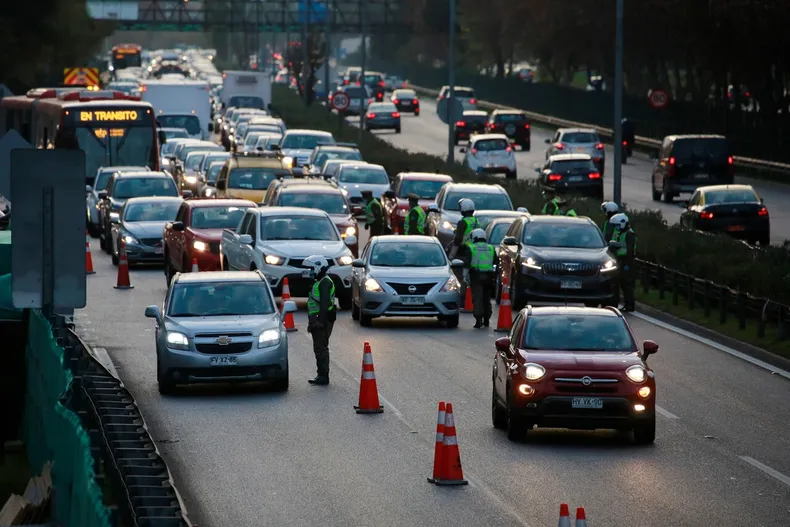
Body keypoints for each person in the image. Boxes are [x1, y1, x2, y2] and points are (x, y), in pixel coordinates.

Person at [304, 255, 337, 385]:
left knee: (321, 347)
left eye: (311, 269)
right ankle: (321, 374)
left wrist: (320, 322)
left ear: (319, 267)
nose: (309, 272)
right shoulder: (320, 281)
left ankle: (323, 376)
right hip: (317, 319)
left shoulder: (325, 282)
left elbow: (324, 303)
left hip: (322, 319)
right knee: (318, 347)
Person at [466, 228, 496, 328]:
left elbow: (467, 263)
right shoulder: (491, 248)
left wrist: (465, 276)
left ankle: (478, 320)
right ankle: (486, 319)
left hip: (476, 276)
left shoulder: (471, 247)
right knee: (486, 298)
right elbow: (496, 262)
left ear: (474, 236)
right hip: (489, 276)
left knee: (477, 298)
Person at [609, 213, 637, 312]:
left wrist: (627, 265)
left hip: (627, 260)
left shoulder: (629, 234)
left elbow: (630, 250)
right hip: (620, 259)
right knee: (622, 283)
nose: (616, 227)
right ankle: (626, 303)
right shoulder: (621, 232)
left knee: (627, 283)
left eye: (617, 225)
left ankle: (630, 305)